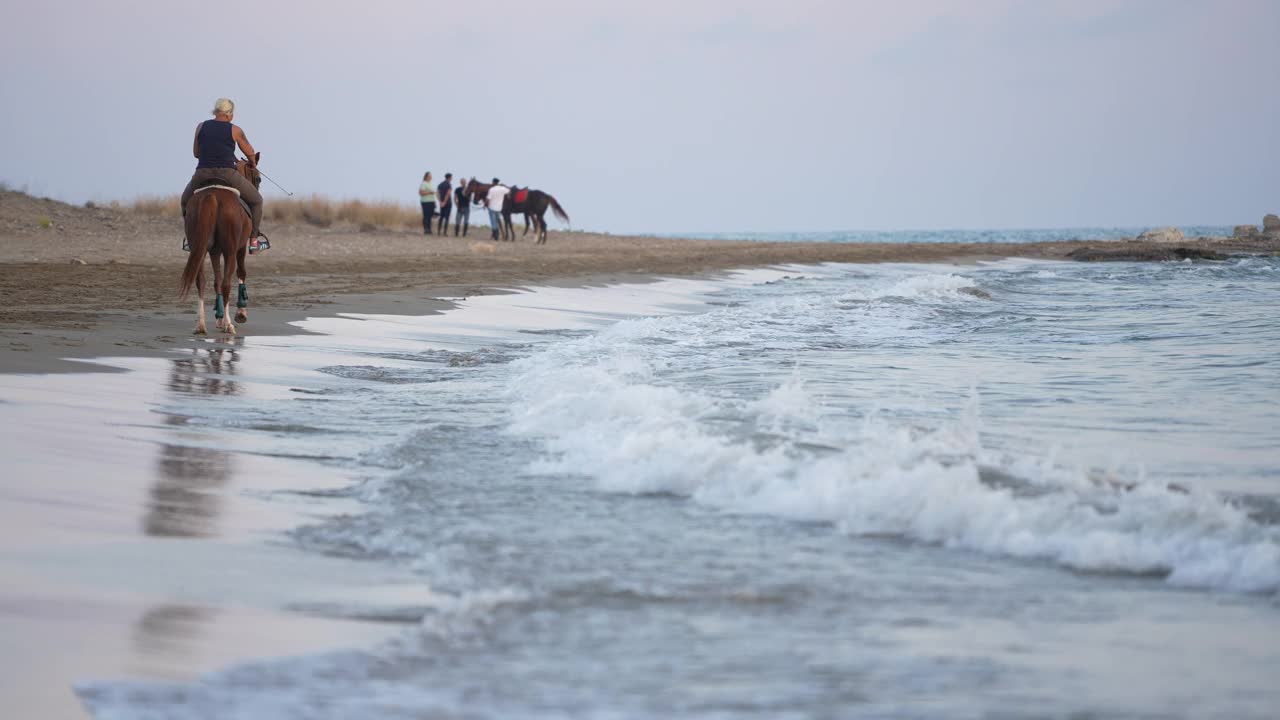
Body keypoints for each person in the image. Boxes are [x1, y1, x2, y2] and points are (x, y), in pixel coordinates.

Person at [180, 98, 267, 252]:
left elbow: (196, 153)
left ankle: (190, 240)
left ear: (215, 112)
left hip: (202, 173)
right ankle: (253, 241)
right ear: (229, 114)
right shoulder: (235, 130)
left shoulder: (201, 127)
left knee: (185, 201)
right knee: (257, 201)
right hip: (227, 174)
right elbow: (250, 152)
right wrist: (252, 162)